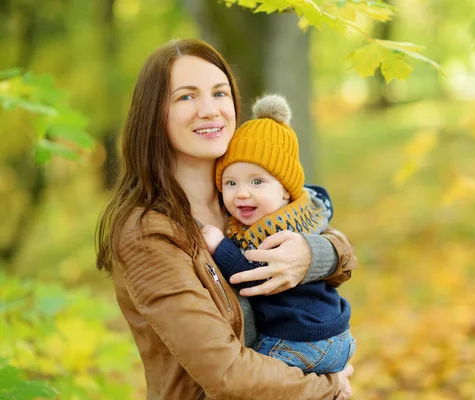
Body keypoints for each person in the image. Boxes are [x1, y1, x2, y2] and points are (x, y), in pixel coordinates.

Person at [95, 38, 358, 400]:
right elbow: (227, 374)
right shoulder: (148, 233)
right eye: (186, 97)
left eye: (219, 93)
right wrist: (329, 387)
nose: (210, 110)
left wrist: (313, 254)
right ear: (155, 114)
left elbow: (337, 249)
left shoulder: (243, 201)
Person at [201, 94, 355, 374]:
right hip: (338, 335)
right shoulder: (306, 213)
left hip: (299, 339)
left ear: (285, 189)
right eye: (231, 182)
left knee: (251, 374)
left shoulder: (274, 229)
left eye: (257, 181)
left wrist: (218, 245)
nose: (242, 193)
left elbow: (253, 272)